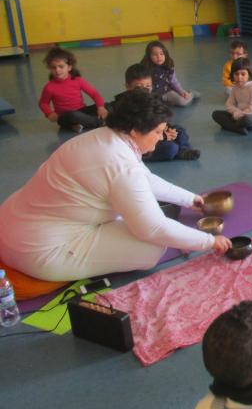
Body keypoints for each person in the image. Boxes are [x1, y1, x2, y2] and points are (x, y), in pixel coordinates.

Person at [0, 90, 231, 282]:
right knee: (152, 248)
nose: (161, 138)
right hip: (37, 250)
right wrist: (209, 241)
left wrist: (191, 199)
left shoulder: (106, 136)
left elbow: (145, 178)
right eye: (158, 132)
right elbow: (153, 228)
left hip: (12, 223)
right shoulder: (120, 164)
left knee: (133, 214)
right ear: (135, 130)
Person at [108, 63, 200, 161]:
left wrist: (166, 129)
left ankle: (184, 150)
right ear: (128, 86)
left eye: (148, 86)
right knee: (170, 148)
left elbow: (160, 119)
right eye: (138, 87)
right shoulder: (123, 105)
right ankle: (176, 151)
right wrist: (163, 136)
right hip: (141, 141)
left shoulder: (153, 98)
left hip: (156, 133)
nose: (144, 90)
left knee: (179, 130)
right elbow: (134, 133)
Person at [38, 47, 107, 133]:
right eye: (53, 67)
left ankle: (81, 124)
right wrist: (49, 113)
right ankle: (100, 122)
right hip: (65, 117)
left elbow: (94, 94)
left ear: (69, 67)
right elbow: (43, 103)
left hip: (81, 111)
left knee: (107, 106)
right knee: (73, 115)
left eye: (61, 66)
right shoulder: (49, 87)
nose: (57, 70)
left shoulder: (78, 80)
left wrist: (101, 107)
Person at [212, 57, 252, 135]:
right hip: (239, 115)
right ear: (232, 75)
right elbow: (229, 104)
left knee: (248, 120)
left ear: (249, 74)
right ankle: (238, 128)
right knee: (216, 114)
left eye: (243, 74)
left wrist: (238, 115)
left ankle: (233, 126)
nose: (239, 77)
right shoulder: (235, 87)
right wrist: (237, 112)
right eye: (236, 74)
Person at [141, 41, 199, 107]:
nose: (159, 57)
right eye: (155, 55)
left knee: (182, 102)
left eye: (161, 54)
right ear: (149, 56)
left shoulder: (168, 65)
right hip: (153, 94)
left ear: (165, 54)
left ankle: (191, 93)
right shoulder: (145, 68)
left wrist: (181, 91)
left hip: (167, 91)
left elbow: (173, 81)